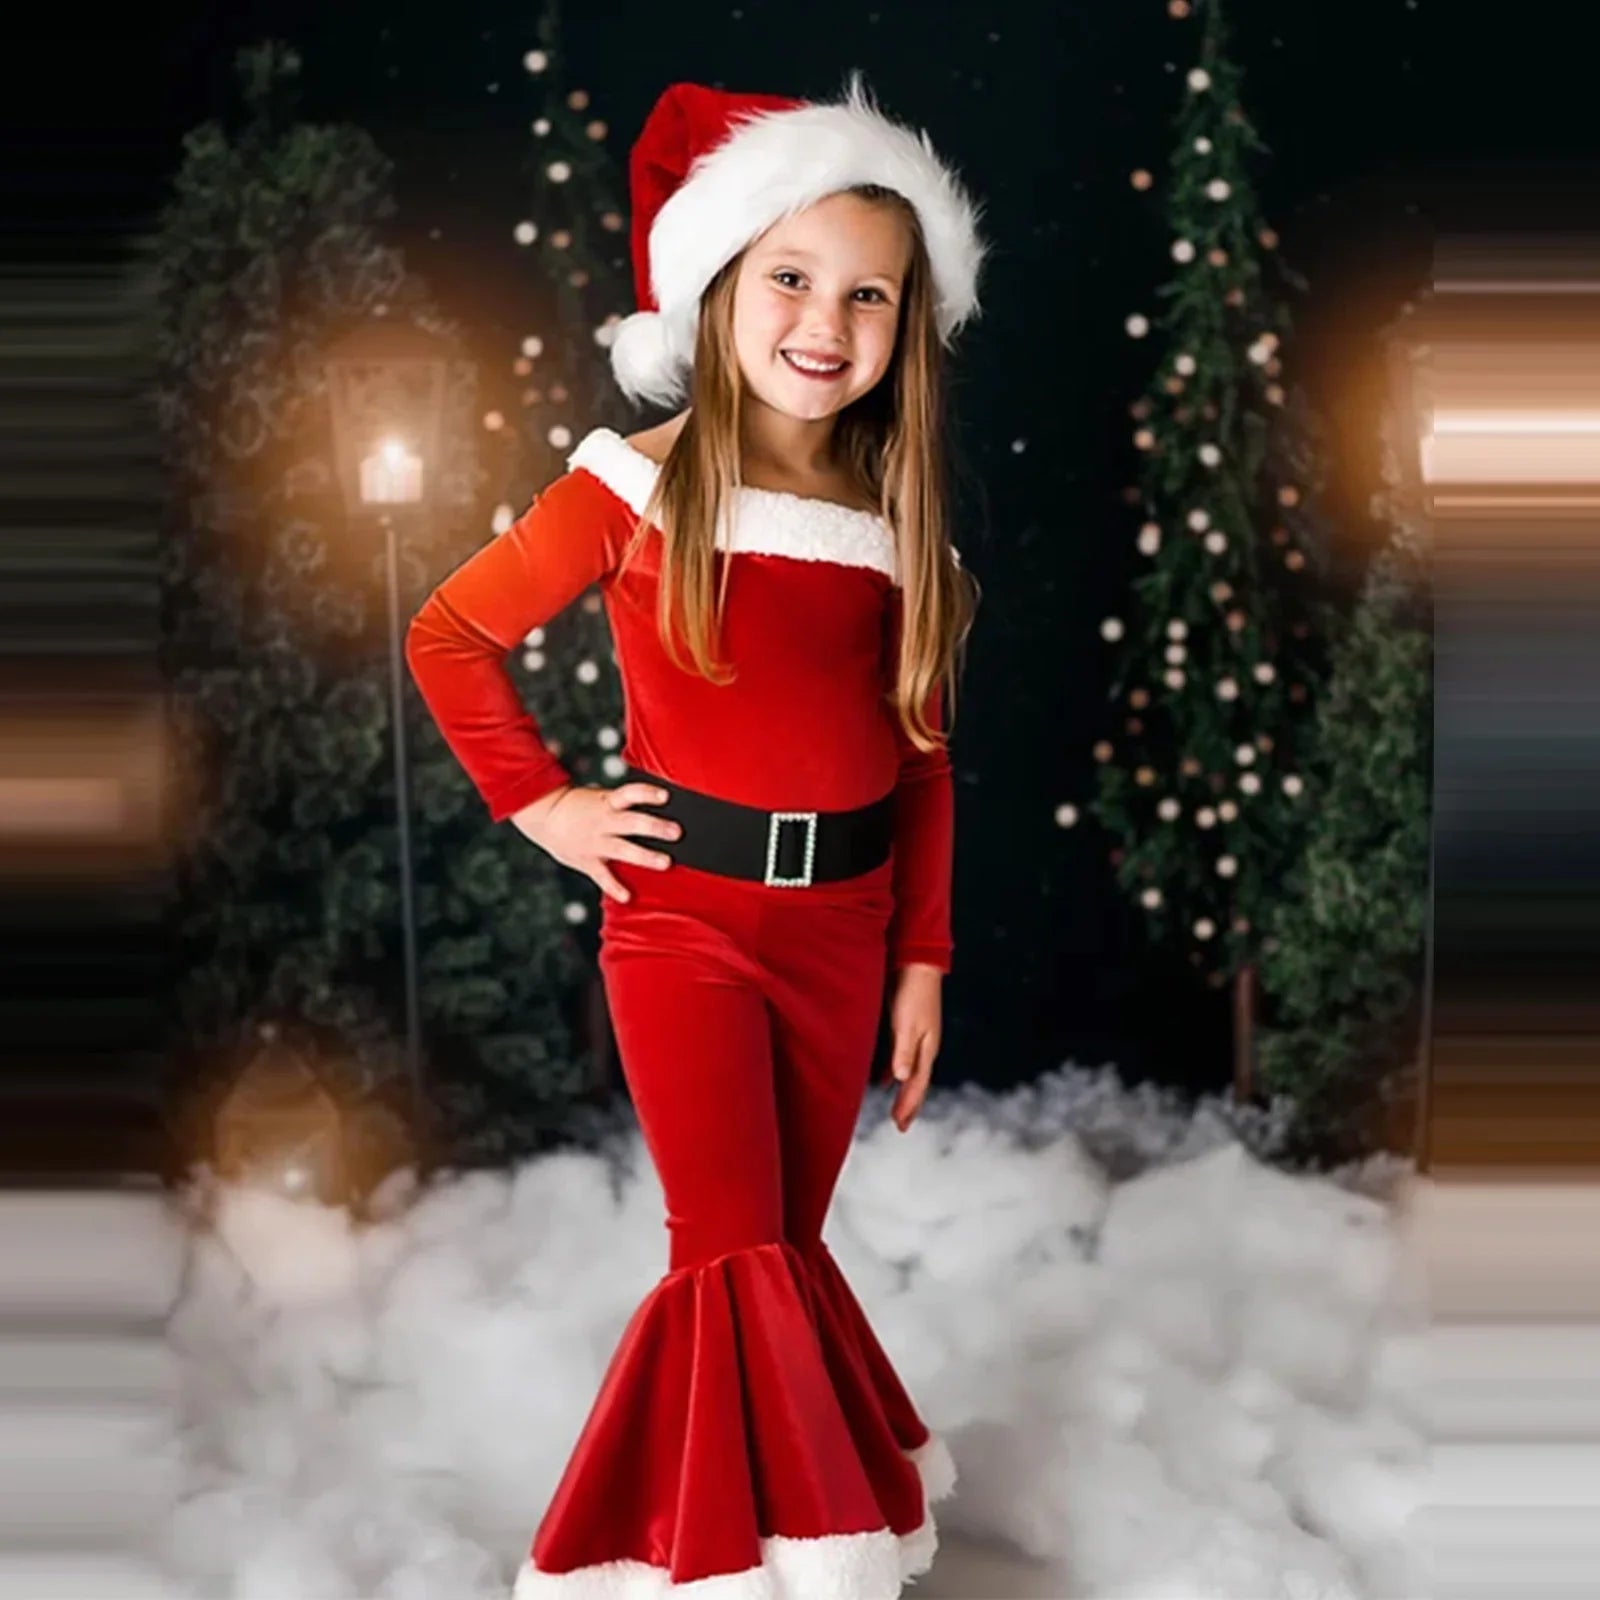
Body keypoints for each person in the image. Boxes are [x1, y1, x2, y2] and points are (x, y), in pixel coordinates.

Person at [405, 69, 987, 1600]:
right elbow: (451, 634)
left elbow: (923, 759)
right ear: (721, 285)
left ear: (905, 327)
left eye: (870, 294)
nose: (827, 319)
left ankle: (792, 1521)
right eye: (792, 276)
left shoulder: (898, 517)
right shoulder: (634, 486)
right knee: (725, 1245)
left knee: (782, 1242)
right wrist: (542, 803)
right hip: (686, 921)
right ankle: (703, 1563)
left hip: (844, 932)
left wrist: (921, 958)